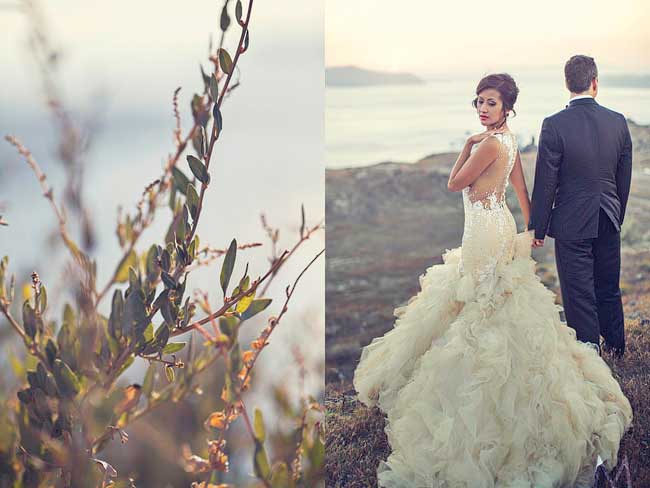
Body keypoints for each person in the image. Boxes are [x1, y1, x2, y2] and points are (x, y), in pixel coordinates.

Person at [352, 73, 633, 487]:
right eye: (479, 102)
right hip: (498, 226)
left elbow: (455, 183)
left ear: (506, 108)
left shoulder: (485, 144)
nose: (483, 108)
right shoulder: (510, 140)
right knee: (491, 298)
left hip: (484, 233)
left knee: (482, 303)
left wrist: (465, 146)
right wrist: (533, 227)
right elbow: (520, 188)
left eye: (491, 103)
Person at [528, 55, 632, 359]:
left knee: (578, 291)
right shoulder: (618, 121)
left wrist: (538, 226)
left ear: (567, 84)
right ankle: (616, 346)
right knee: (608, 286)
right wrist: (617, 214)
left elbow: (546, 182)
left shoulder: (554, 125)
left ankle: (590, 356)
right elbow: (622, 178)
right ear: (595, 83)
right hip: (608, 217)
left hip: (572, 222)